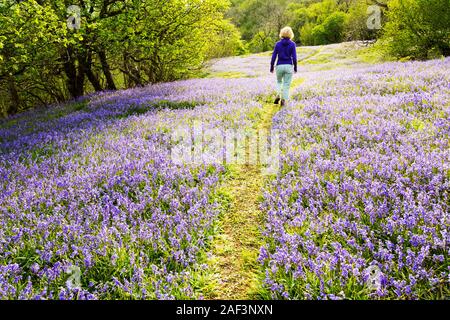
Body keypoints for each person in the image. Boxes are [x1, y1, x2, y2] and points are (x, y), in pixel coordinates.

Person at [270, 26, 297, 107]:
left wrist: (271, 66)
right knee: (286, 84)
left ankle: (278, 95)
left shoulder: (278, 44)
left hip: (279, 66)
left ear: (281, 33)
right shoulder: (292, 44)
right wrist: (295, 67)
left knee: (279, 82)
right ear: (291, 34)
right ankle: (283, 100)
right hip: (288, 66)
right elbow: (294, 57)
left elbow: (274, 56)